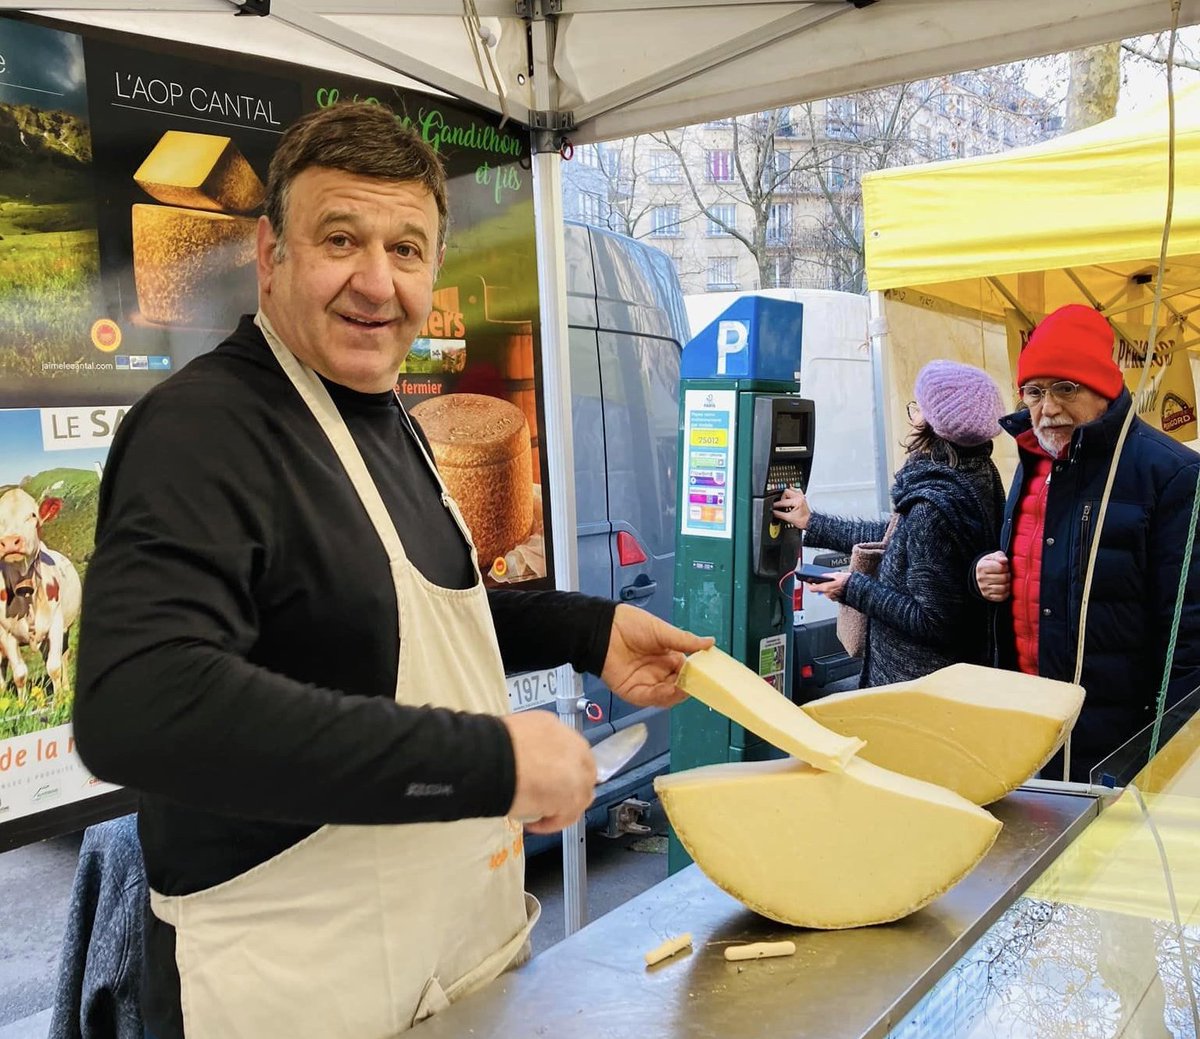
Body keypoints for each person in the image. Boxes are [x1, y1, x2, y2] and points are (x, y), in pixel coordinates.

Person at [72, 102, 711, 1039]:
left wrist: (586, 630)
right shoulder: (203, 429)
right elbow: (140, 706)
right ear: (270, 251)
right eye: (341, 238)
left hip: (444, 978)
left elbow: (402, 615)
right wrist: (485, 762)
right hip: (286, 998)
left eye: (406, 249)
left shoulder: (390, 418)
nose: (377, 282)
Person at [973, 303, 1200, 781]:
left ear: (1104, 388)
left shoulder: (1170, 473)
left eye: (1065, 388)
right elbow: (1049, 562)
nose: (1048, 407)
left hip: (1118, 741)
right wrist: (994, 572)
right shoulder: (1035, 461)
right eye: (1034, 391)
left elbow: (1190, 636)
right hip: (1031, 721)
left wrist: (1168, 760)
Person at [774, 360, 1006, 687]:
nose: (912, 418)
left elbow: (932, 621)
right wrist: (812, 523)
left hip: (914, 687)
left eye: (917, 408)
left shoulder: (933, 503)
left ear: (934, 424)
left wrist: (851, 588)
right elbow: (901, 539)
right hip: (945, 678)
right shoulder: (977, 473)